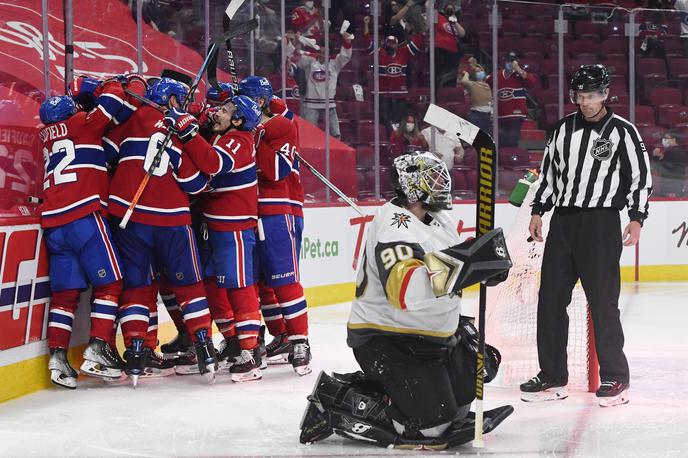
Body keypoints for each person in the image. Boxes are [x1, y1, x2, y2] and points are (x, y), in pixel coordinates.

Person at [298, 151, 513, 449]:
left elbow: (451, 266)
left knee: (462, 407)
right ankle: (336, 400)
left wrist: (483, 268)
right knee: (432, 428)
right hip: (387, 340)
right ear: (414, 186)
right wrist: (469, 266)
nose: (443, 184)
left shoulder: (437, 217)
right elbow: (405, 291)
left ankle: (400, 390)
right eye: (434, 179)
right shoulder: (393, 227)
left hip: (429, 337)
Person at [522, 64, 653, 407]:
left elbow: (640, 179)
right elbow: (549, 176)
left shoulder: (623, 131)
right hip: (563, 223)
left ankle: (614, 377)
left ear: (606, 94)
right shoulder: (562, 130)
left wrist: (636, 218)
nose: (587, 102)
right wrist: (538, 211)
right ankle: (552, 374)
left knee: (603, 302)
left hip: (601, 223)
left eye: (593, 95)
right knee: (550, 300)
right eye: (581, 96)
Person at [104, 74, 219, 385]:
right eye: (179, 101)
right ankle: (205, 347)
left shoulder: (129, 118)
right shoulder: (179, 129)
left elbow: (106, 153)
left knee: (137, 287)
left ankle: (137, 352)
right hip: (172, 220)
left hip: (129, 215)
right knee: (190, 286)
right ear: (171, 100)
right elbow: (195, 183)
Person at [39, 76, 139, 389]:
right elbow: (111, 105)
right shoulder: (82, 123)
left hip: (53, 223)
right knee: (111, 283)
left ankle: (57, 357)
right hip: (83, 214)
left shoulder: (45, 136)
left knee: (65, 295)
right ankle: (98, 348)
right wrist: (108, 84)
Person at [172, 94, 265, 382]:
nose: (216, 113)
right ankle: (235, 341)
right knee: (215, 285)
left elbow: (211, 163)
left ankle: (251, 353)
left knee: (241, 287)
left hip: (234, 226)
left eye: (224, 111)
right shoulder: (224, 137)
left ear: (237, 120)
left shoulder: (239, 140)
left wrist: (187, 133)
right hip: (216, 225)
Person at [239, 76, 312, 376]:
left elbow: (278, 170)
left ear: (256, 102)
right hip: (248, 212)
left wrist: (255, 137)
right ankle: (279, 335)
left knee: (283, 279)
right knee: (259, 283)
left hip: (279, 210)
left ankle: (300, 340)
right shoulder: (247, 129)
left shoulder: (281, 125)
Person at [364, 16, 423, 129]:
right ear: (385, 44)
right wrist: (366, 25)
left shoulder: (403, 52)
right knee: (385, 122)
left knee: (400, 122)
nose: (390, 45)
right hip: (383, 95)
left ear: (396, 45)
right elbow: (367, 42)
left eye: (393, 43)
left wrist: (418, 29)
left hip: (400, 95)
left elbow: (418, 43)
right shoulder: (379, 53)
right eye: (389, 43)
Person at [292, 31, 353, 138]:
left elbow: (345, 56)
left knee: (336, 134)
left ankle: (335, 154)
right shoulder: (310, 61)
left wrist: (347, 42)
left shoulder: (334, 64)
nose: (322, 54)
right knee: (308, 135)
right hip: (311, 105)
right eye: (320, 51)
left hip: (328, 105)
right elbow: (296, 58)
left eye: (325, 52)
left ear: (329, 54)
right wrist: (297, 42)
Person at [486, 51, 536, 148]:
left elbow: (532, 83)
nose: (510, 63)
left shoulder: (520, 75)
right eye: (509, 61)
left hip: (517, 114)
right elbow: (485, 84)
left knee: (512, 140)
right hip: (501, 115)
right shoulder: (496, 75)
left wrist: (518, 69)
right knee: (501, 141)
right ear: (504, 62)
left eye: (513, 61)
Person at [457, 57, 493, 136]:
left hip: (487, 116)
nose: (480, 73)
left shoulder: (487, 84)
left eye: (481, 71)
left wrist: (474, 65)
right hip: (477, 116)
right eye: (477, 72)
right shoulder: (472, 84)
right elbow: (463, 81)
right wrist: (467, 73)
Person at [434, 2, 466, 88]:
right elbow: (429, 9)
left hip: (452, 51)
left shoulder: (455, 22)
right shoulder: (439, 17)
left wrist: (455, 22)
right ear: (444, 10)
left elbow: (462, 34)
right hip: (439, 48)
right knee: (438, 74)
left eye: (452, 9)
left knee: (450, 75)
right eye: (448, 8)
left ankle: (449, 91)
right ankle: (437, 93)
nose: (450, 10)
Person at [651, 130, 687, 196]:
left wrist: (656, 156)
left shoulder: (672, 152)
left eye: (666, 138)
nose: (664, 140)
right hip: (677, 184)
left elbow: (659, 168)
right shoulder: (681, 151)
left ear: (674, 139)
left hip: (671, 185)